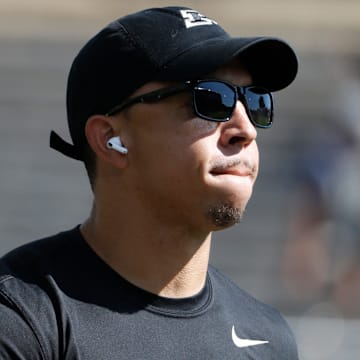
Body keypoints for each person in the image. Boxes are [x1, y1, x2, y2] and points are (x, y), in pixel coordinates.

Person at [0, 6, 298, 359]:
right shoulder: (22, 318)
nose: (245, 129)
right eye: (210, 98)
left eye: (255, 102)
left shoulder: (269, 337)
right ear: (111, 139)